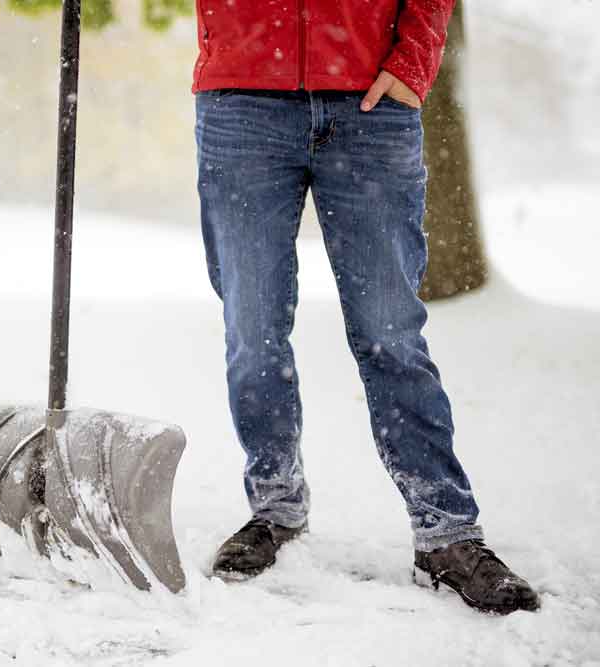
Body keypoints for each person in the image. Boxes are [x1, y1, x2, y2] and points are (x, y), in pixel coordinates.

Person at [193, 0, 539, 614]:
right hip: (242, 104)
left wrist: (413, 62)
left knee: (391, 334)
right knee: (253, 328)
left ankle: (445, 533)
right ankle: (275, 508)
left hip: (371, 102)